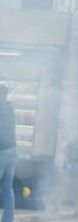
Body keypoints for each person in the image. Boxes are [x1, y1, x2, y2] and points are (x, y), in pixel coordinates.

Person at [0, 84, 15, 222]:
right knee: (7, 188)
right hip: (12, 153)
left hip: (2, 152)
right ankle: (8, 219)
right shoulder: (10, 108)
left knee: (6, 188)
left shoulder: (1, 109)